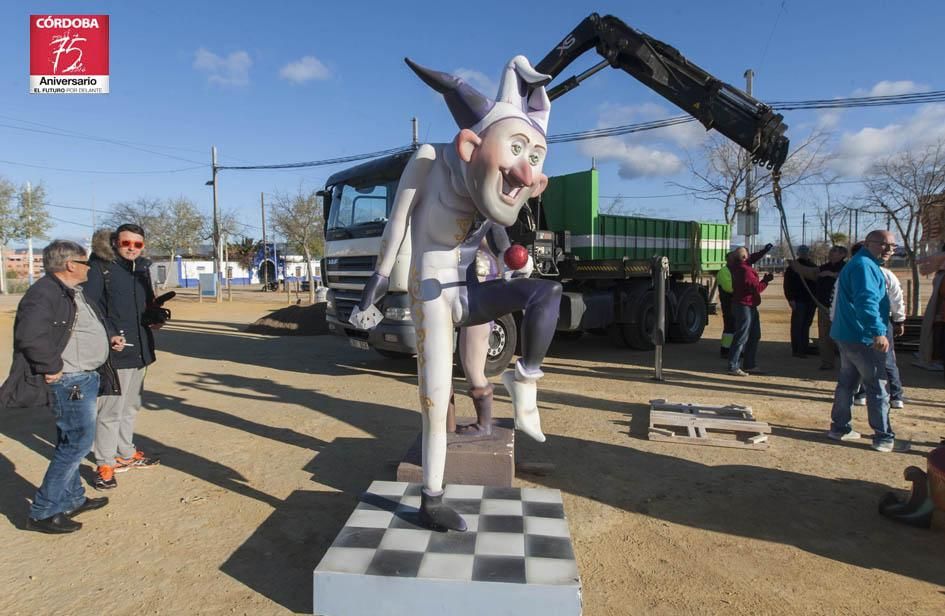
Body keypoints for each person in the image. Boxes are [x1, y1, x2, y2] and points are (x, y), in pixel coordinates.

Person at [351, 56, 560, 531]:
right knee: (436, 393)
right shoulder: (428, 162)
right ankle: (432, 497)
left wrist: (514, 259)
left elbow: (496, 232)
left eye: (534, 158)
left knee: (546, 294)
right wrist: (373, 292)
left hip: (469, 291)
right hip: (431, 290)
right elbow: (396, 228)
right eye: (518, 151)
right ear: (470, 145)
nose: (526, 174)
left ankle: (525, 379)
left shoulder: (490, 185)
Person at [0, 241, 117, 533]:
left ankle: (72, 498)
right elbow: (30, 336)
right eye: (85, 261)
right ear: (70, 265)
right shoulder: (43, 294)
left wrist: (108, 338)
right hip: (71, 381)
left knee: (70, 442)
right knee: (76, 445)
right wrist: (52, 366)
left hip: (84, 377)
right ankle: (42, 512)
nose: (89, 266)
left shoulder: (68, 290)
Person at [83, 224, 160, 490]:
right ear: (116, 242)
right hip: (114, 352)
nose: (132, 248)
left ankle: (126, 453)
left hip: (140, 350)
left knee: (130, 407)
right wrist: (110, 334)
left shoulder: (141, 269)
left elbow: (147, 305)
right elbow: (91, 307)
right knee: (110, 411)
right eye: (127, 243)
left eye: (138, 244)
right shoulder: (100, 267)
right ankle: (105, 463)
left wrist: (155, 317)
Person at [828, 230, 897, 452]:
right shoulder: (864, 267)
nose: (888, 249)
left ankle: (840, 427)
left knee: (847, 382)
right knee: (876, 385)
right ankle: (883, 436)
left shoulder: (863, 264)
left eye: (892, 246)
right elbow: (866, 301)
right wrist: (877, 331)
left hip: (847, 334)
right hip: (861, 336)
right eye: (883, 244)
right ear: (868, 243)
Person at [789, 245, 848, 369]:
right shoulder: (822, 268)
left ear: (843, 255)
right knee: (824, 336)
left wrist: (832, 274)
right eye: (831, 251)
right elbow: (809, 273)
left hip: (842, 309)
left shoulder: (847, 268)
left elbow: (850, 278)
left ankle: (848, 364)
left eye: (835, 251)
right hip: (823, 307)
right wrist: (795, 266)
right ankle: (827, 362)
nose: (831, 253)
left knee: (843, 337)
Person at [728, 244, 774, 376]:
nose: (749, 254)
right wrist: (766, 280)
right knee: (742, 336)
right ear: (743, 257)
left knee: (754, 335)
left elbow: (752, 258)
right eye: (746, 253)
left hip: (747, 305)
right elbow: (757, 288)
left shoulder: (738, 266)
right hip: (745, 306)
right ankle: (733, 365)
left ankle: (749, 364)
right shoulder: (745, 271)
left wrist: (764, 251)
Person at [783, 244, 818, 358]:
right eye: (802, 252)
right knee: (798, 325)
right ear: (798, 253)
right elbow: (787, 285)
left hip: (811, 300)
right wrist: (791, 298)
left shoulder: (813, 266)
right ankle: (797, 349)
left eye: (805, 252)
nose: (803, 253)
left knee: (806, 325)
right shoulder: (793, 267)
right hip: (798, 300)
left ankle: (804, 347)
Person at [716, 251, 736, 358]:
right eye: (733, 258)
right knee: (729, 327)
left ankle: (730, 349)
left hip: (733, 303)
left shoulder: (733, 270)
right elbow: (728, 288)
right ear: (728, 260)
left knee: (732, 327)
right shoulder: (724, 271)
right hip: (728, 304)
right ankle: (725, 350)